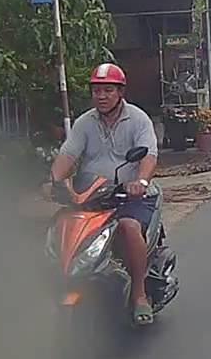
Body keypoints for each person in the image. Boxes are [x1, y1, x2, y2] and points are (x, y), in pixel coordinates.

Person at [48, 63, 160, 326]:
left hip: (129, 196)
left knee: (129, 226)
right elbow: (68, 155)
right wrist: (53, 181)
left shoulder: (138, 119)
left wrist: (140, 181)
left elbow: (149, 155)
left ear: (120, 92)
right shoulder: (84, 123)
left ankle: (139, 294)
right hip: (91, 195)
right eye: (97, 91)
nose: (101, 96)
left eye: (108, 90)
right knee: (61, 226)